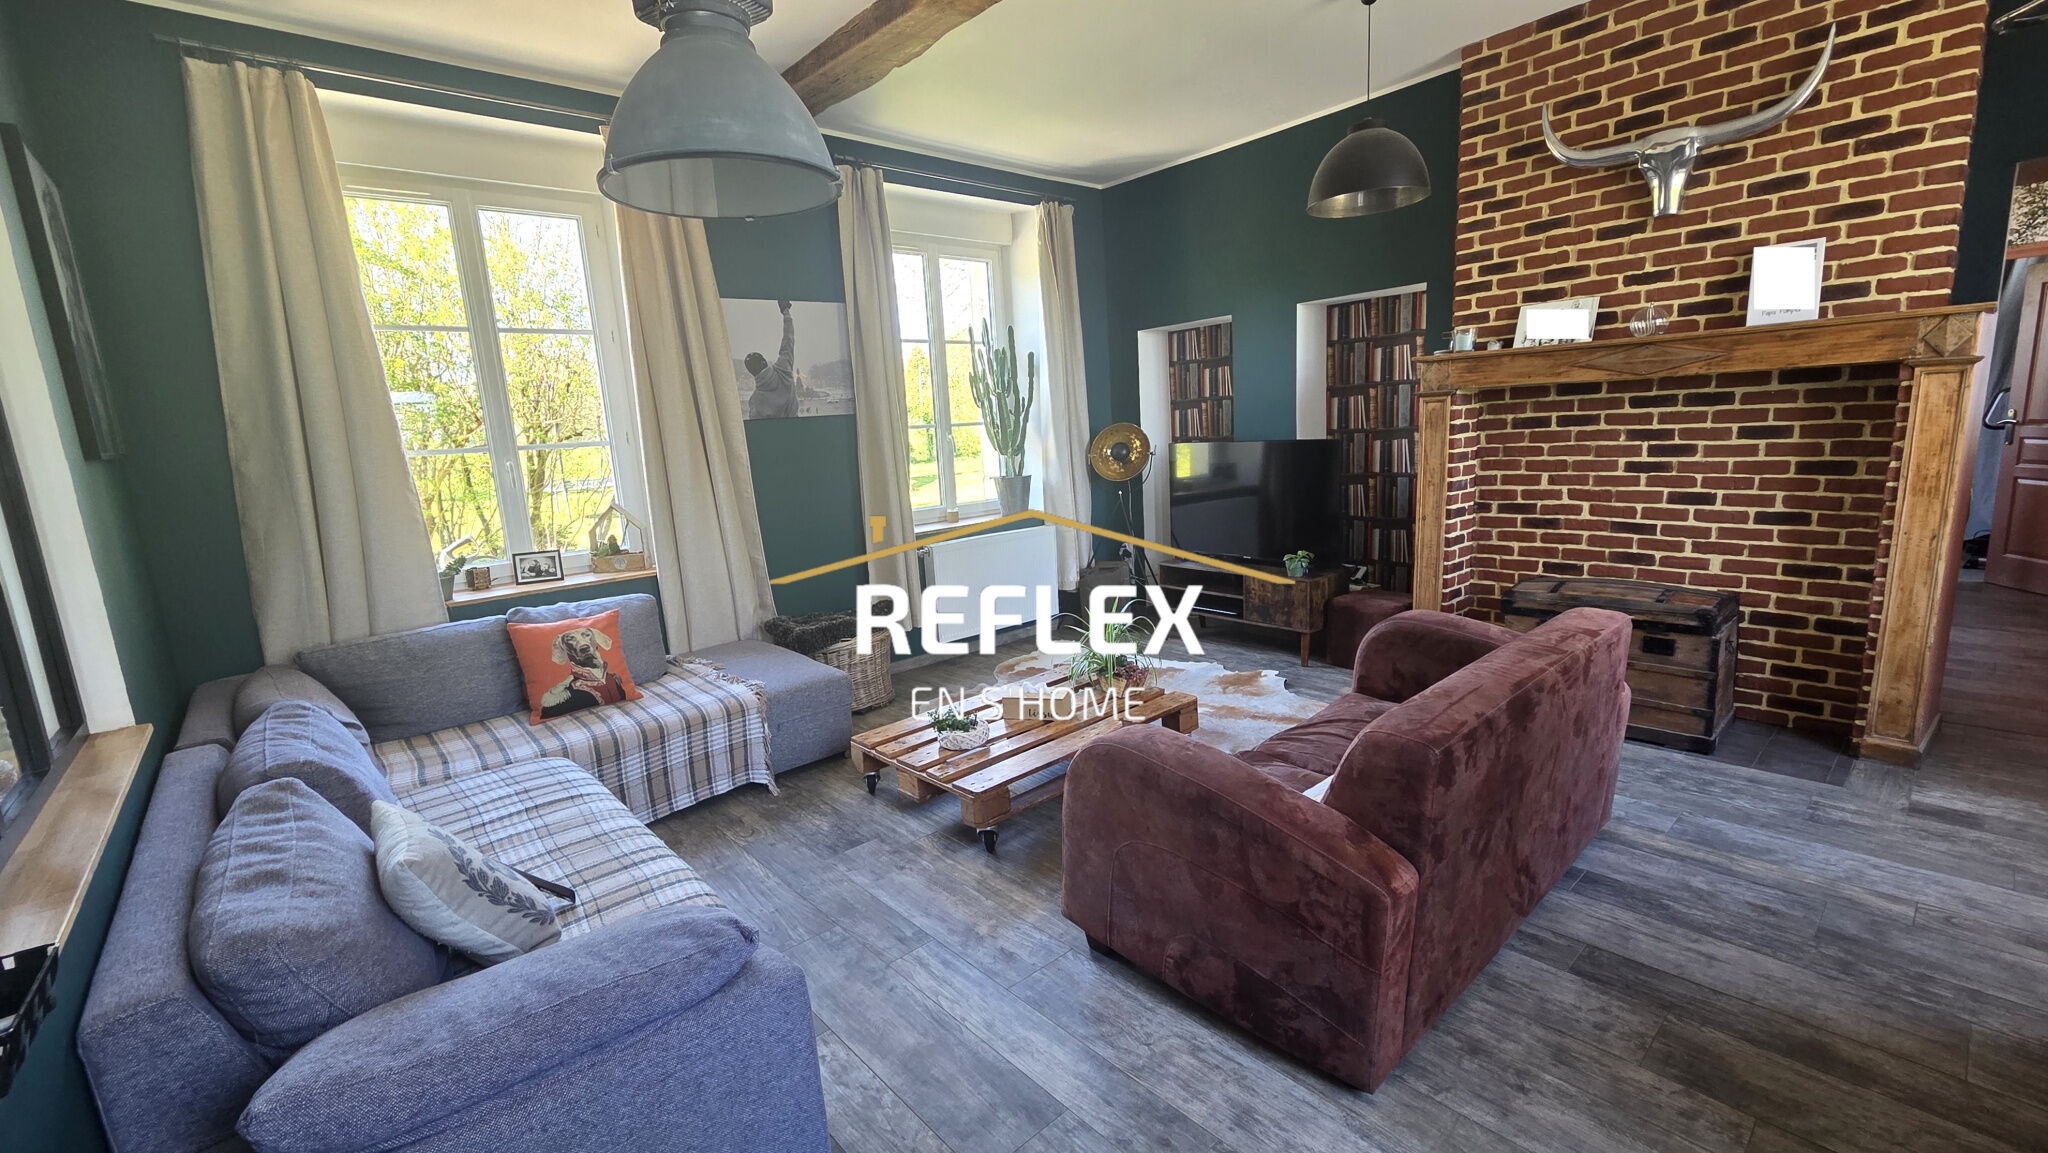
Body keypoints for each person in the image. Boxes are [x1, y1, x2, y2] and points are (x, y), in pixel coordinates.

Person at [746, 299, 799, 420]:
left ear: (752, 373)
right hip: (798, 426)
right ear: (765, 362)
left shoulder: (756, 400)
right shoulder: (783, 370)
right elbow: (788, 339)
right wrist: (786, 312)